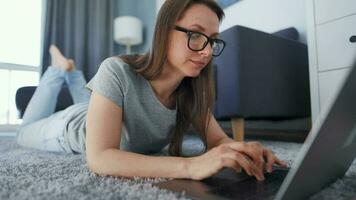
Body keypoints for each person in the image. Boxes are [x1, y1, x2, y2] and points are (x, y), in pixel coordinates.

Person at [17, 0, 287, 181]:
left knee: (89, 104)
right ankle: (56, 70)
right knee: (21, 133)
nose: (206, 51)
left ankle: (73, 73)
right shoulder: (116, 70)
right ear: (164, 32)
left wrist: (244, 150)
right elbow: (99, 157)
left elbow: (218, 142)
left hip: (96, 112)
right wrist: (191, 166)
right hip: (68, 128)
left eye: (213, 41)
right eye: (195, 34)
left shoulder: (190, 92)